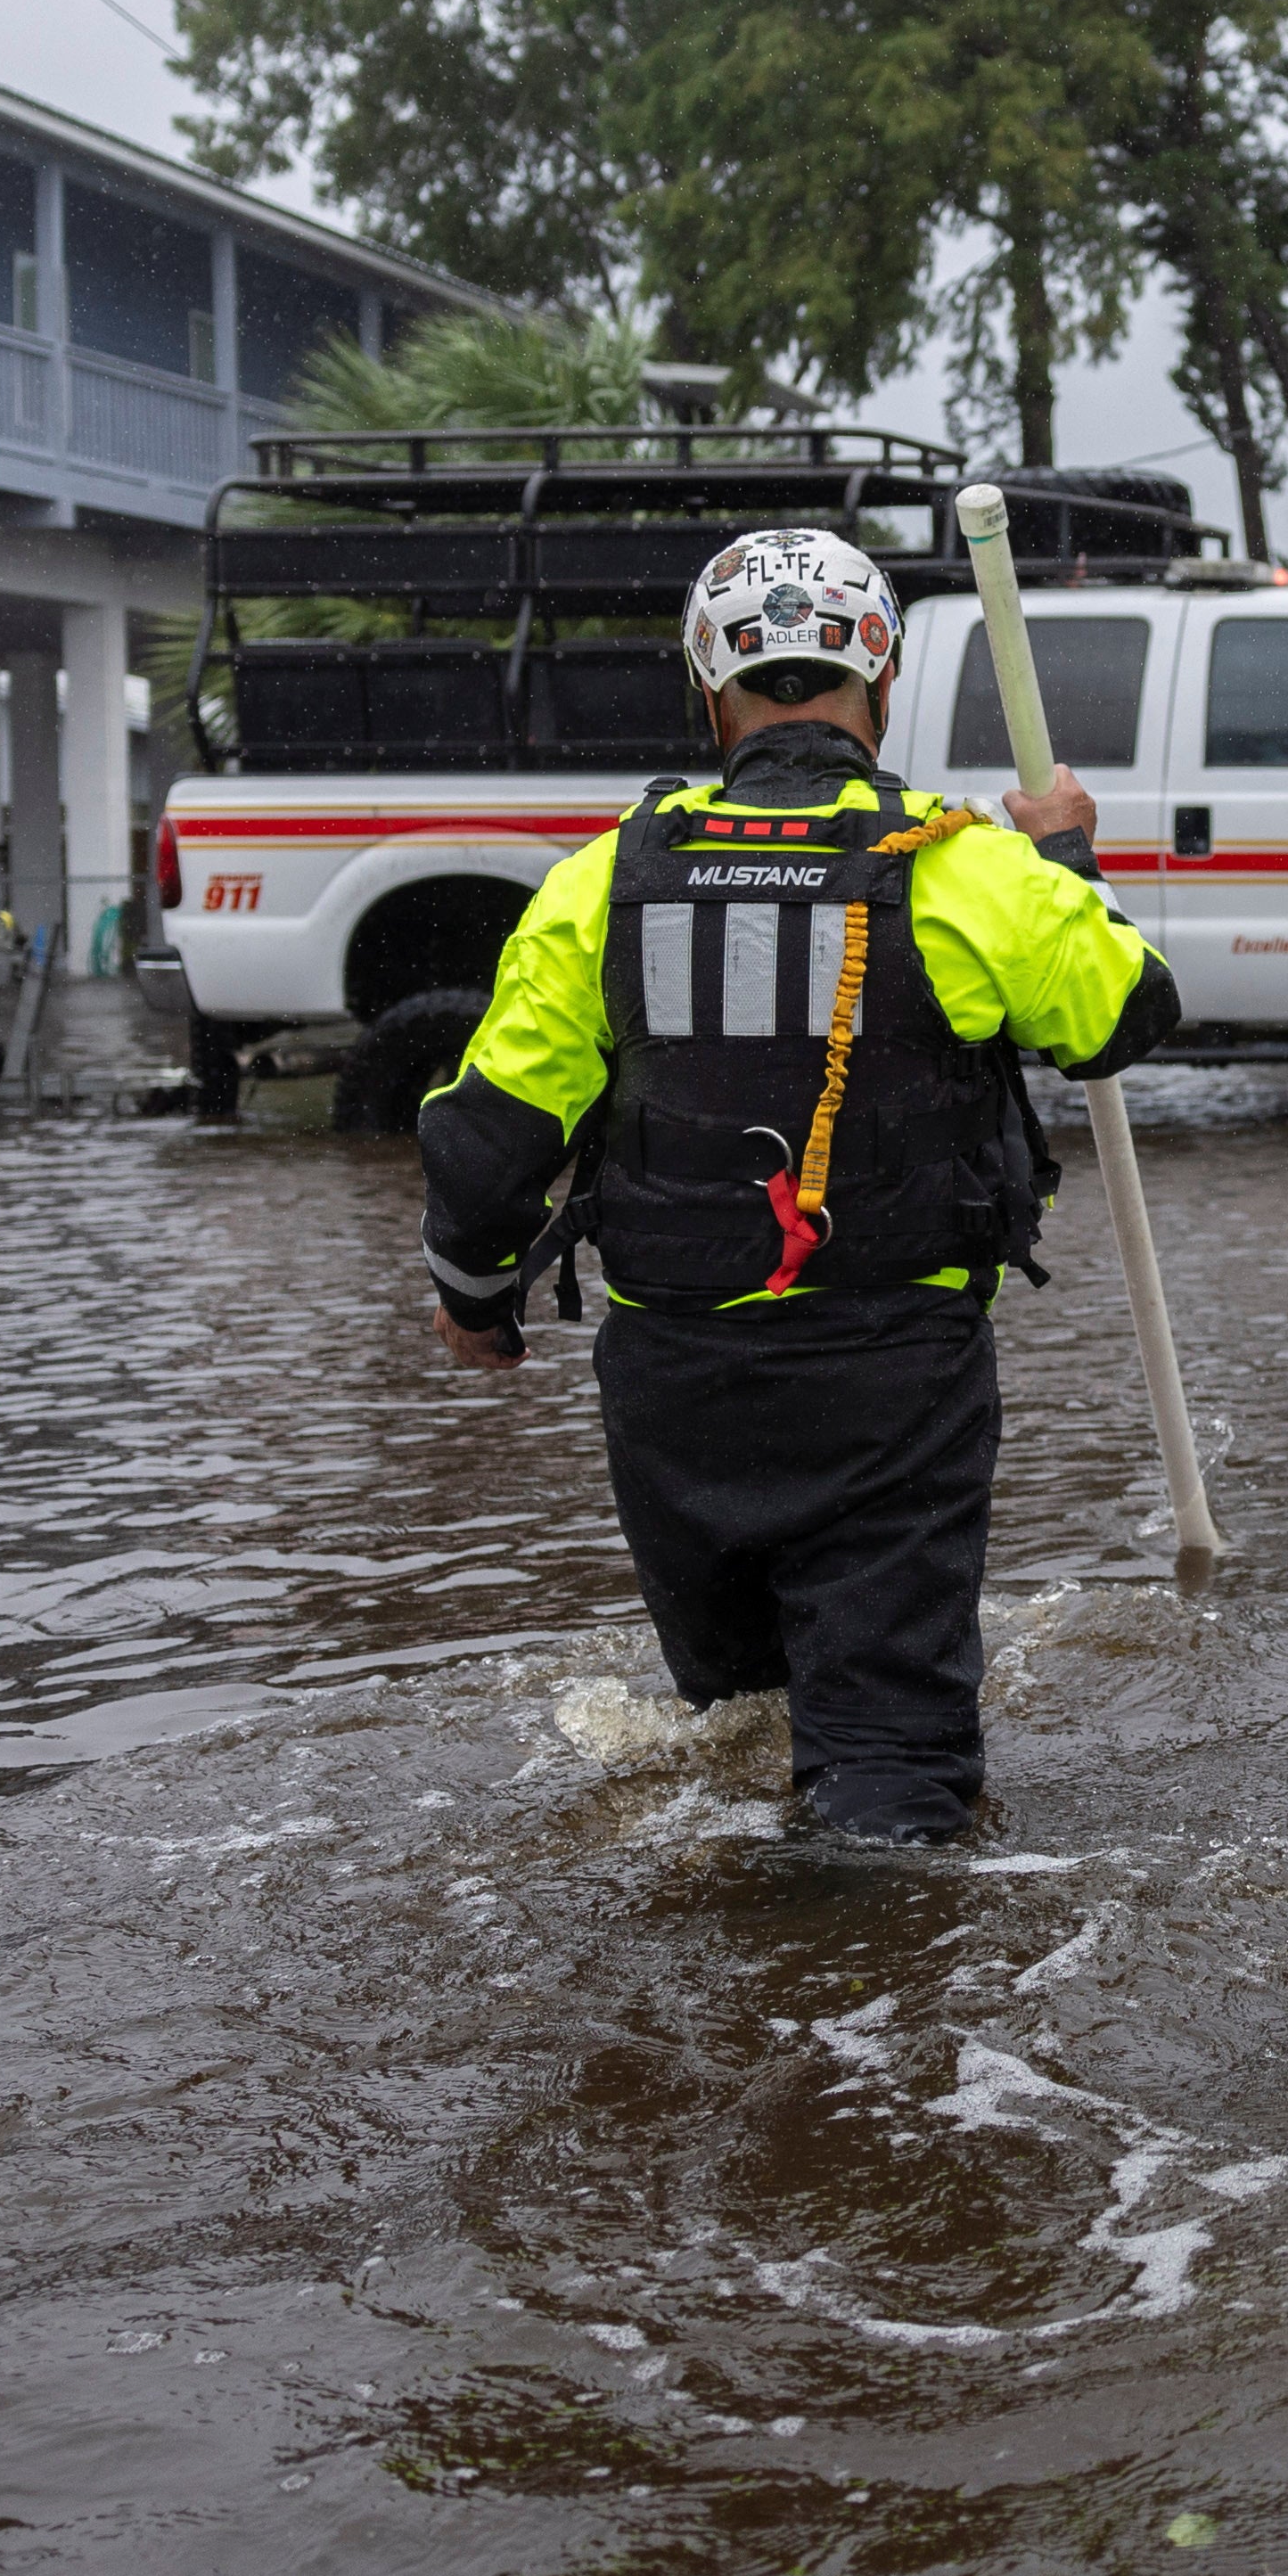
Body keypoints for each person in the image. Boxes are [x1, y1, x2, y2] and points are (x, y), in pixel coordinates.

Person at [416, 526, 1177, 1844]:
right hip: (893, 1373)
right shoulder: (959, 865)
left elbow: (490, 1138)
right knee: (888, 1762)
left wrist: (476, 1295)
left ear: (708, 691)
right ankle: (879, 2011)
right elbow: (1124, 1011)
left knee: (735, 1731)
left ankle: (759, 2003)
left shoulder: (607, 879)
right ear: (876, 678)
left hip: (676, 1380)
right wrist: (1061, 860)